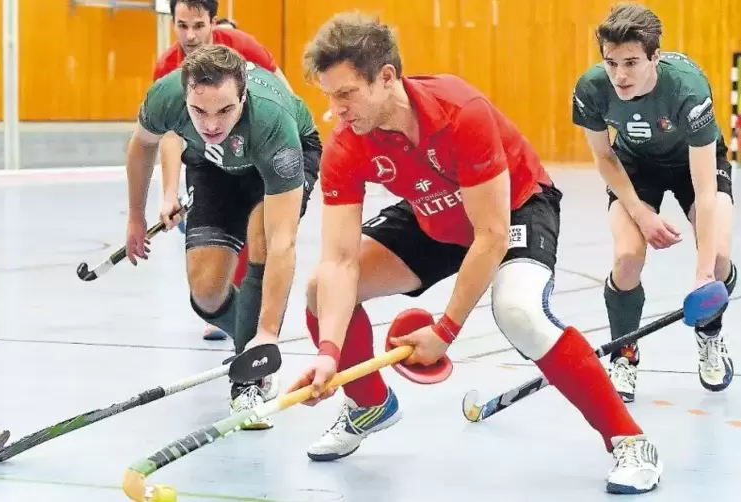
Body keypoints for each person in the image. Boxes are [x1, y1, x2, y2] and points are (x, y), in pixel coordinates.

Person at [287, 11, 662, 495]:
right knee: (323, 291)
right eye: (328, 96)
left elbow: (490, 234)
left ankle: (628, 440)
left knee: (519, 311)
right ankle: (369, 404)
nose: (335, 110)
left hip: (517, 207)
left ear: (386, 78)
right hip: (435, 212)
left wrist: (445, 331)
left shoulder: (461, 112)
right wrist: (329, 354)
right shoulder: (347, 142)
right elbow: (338, 260)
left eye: (345, 94)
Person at [126, 44, 321, 429]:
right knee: (206, 292)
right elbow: (142, 145)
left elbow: (284, 243)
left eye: (225, 110)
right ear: (185, 98)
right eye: (199, 111)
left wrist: (267, 332)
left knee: (262, 239)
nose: (211, 124)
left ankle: (249, 376)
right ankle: (246, 339)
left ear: (243, 96)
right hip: (214, 166)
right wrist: (135, 217)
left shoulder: (272, 120)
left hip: (279, 158)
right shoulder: (166, 96)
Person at [572, 3, 735, 403]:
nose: (620, 75)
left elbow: (703, 186)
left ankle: (710, 337)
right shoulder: (591, 88)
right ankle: (624, 354)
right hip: (633, 166)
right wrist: (640, 211)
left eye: (631, 62)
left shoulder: (687, 88)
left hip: (692, 164)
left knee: (716, 261)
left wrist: (702, 277)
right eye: (611, 63)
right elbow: (604, 157)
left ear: (654, 57)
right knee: (627, 257)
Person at [154, 0, 302, 342]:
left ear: (213, 22)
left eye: (198, 26)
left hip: (259, 150)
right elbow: (170, 136)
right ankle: (243, 325)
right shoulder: (167, 66)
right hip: (210, 158)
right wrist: (168, 193)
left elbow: (286, 95)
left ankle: (258, 333)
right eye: (182, 26)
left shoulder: (244, 47)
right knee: (209, 272)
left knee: (259, 233)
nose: (190, 36)